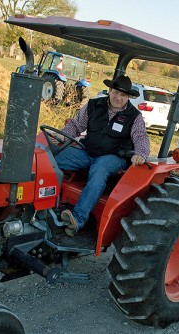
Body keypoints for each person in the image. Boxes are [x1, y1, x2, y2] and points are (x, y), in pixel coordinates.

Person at [55, 75, 150, 236]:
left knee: (99, 169)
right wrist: (62, 135)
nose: (119, 98)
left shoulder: (134, 116)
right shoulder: (93, 105)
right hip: (88, 152)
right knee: (52, 158)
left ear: (128, 97)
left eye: (123, 95)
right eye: (116, 93)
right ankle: (44, 205)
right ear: (110, 90)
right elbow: (76, 125)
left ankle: (77, 219)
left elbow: (141, 137)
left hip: (113, 157)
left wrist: (140, 153)